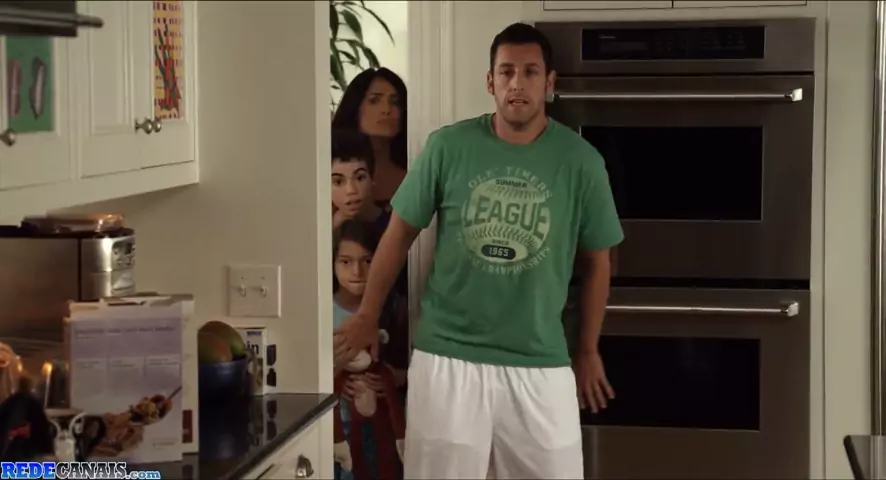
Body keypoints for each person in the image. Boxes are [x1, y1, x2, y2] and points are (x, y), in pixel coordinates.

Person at [333, 22, 624, 479]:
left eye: (530, 72)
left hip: (540, 363)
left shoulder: (581, 162)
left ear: (549, 82)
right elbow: (399, 233)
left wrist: (587, 349)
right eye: (506, 72)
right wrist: (368, 313)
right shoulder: (448, 147)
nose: (517, 83)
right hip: (448, 360)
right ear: (490, 81)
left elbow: (598, 262)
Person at [332, 220, 409, 480]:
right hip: (340, 428)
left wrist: (394, 378)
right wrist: (337, 382)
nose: (357, 271)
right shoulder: (322, 311)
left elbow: (411, 367)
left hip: (386, 425)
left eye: (367, 261)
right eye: (345, 261)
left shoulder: (395, 310)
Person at [332, 68, 408, 210]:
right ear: (355, 107)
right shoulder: (330, 166)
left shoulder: (414, 171)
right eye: (374, 101)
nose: (386, 110)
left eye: (395, 102)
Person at [331, 129, 390, 232]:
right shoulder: (323, 229)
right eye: (338, 182)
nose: (351, 190)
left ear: (373, 176)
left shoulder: (391, 226)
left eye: (360, 178)